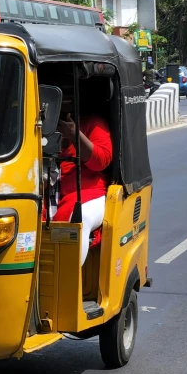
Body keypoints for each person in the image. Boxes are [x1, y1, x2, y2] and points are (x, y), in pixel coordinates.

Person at [53, 104, 113, 267]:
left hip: (87, 192)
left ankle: (66, 284)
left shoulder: (93, 123)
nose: (64, 96)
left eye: (68, 90)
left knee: (79, 219)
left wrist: (74, 135)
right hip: (47, 193)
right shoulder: (35, 122)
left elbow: (101, 161)